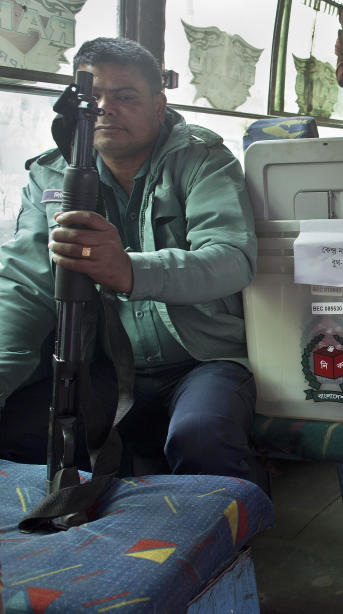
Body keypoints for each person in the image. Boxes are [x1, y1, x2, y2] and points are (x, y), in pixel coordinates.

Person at [0, 37, 265, 490]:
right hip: (107, 367)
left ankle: (233, 545)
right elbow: (25, 287)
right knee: (21, 431)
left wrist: (128, 270)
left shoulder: (202, 160)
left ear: (159, 106)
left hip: (204, 360)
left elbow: (231, 258)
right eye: (93, 98)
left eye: (124, 97)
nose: (105, 109)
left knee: (201, 436)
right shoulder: (50, 174)